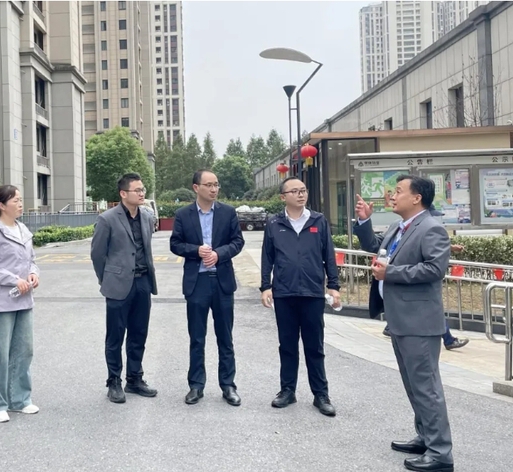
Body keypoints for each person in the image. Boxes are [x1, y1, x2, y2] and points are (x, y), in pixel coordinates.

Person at [354, 175, 454, 472]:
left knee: (426, 387)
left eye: (398, 191)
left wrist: (392, 273)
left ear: (417, 198)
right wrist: (365, 222)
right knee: (414, 385)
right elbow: (375, 247)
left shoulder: (432, 228)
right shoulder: (400, 227)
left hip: (419, 322)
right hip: (400, 319)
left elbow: (434, 269)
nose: (392, 196)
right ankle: (425, 437)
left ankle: (440, 453)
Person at [260, 177, 340, 416]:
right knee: (287, 345)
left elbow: (329, 254)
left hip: (312, 293)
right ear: (283, 197)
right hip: (284, 293)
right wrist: (266, 286)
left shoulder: (318, 220)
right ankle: (287, 391)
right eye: (294, 191)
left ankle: (321, 394)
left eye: (303, 190)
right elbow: (267, 257)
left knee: (315, 346)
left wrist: (333, 286)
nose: (300, 194)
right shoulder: (274, 223)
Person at [170, 170, 245, 406]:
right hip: (197, 283)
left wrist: (219, 254)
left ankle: (228, 385)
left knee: (225, 337)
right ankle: (196, 385)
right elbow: (175, 244)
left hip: (222, 282)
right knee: (197, 337)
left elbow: (238, 241)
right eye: (209, 185)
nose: (214, 189)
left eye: (216, 185)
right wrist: (195, 251)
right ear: (196, 187)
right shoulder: (183, 214)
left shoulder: (228, 212)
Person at [0, 185, 40, 423]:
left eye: (21, 199)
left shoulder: (23, 229)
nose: (20, 204)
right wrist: (13, 279)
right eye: (15, 201)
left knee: (24, 350)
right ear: (1, 205)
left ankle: (19, 399)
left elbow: (32, 260)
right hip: (1, 302)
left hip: (24, 300)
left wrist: (33, 274)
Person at [91, 173, 158, 403]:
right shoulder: (107, 219)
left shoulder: (147, 216)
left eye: (142, 189)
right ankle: (114, 381)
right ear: (123, 193)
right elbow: (97, 254)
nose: (141, 193)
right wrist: (107, 279)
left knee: (139, 333)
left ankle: (135, 379)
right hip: (118, 285)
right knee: (115, 336)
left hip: (142, 282)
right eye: (137, 190)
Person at [382, 207, 469, 352]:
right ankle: (449, 339)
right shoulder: (401, 227)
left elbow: (432, 256)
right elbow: (431, 267)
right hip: (413, 303)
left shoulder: (430, 228)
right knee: (432, 313)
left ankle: (448, 339)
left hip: (418, 304)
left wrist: (451, 247)